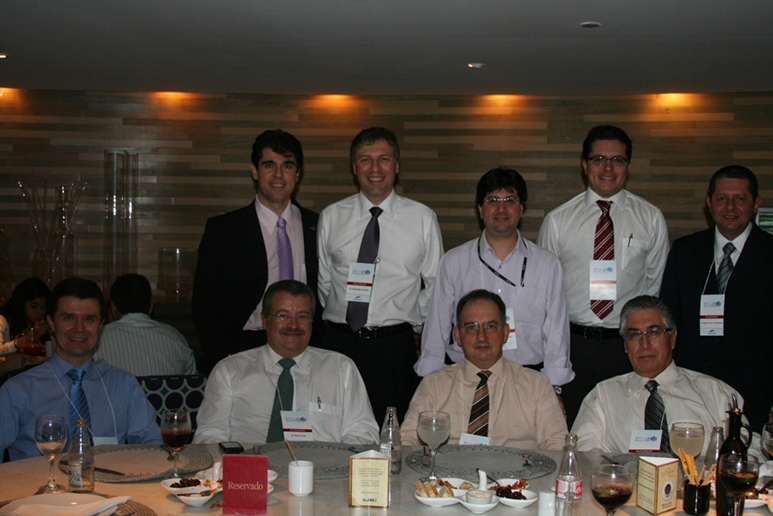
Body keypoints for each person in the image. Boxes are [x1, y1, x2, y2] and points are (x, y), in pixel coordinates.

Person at [537, 125, 669, 425]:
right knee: (570, 430)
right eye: (598, 159)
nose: (608, 168)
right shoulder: (557, 221)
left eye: (617, 160)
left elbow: (654, 288)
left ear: (628, 166)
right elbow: (545, 295)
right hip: (573, 347)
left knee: (626, 428)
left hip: (627, 347)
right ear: (584, 165)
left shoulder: (650, 219)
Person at [317, 127, 443, 421]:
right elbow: (324, 281)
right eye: (365, 160)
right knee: (333, 425)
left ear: (396, 166)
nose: (375, 168)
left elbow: (436, 283)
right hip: (338, 345)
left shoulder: (422, 218)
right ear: (354, 167)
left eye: (384, 159)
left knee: (391, 431)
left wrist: (412, 316)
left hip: (393, 349)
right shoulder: (331, 216)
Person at [416, 167, 573, 395]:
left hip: (527, 380)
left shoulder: (547, 264)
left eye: (510, 200)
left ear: (521, 208)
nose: (501, 208)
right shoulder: (454, 261)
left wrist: (554, 388)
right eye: (493, 201)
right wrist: (429, 384)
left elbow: (557, 333)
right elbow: (436, 328)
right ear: (480, 209)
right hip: (464, 378)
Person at [193, 129, 320, 373]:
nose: (278, 175)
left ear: (298, 173)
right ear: (254, 170)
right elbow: (204, 303)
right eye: (269, 165)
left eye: (287, 165)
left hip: (304, 347)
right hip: (242, 350)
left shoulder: (318, 226)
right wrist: (222, 357)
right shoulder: (224, 230)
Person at [194, 280, 379, 444]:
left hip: (321, 468)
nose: (293, 325)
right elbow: (209, 435)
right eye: (283, 316)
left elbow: (363, 433)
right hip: (250, 468)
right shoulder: (230, 371)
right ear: (265, 320)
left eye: (302, 316)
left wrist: (338, 463)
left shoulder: (341, 369)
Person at [660, 165, 773, 430]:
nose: (730, 207)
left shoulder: (769, 254)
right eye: (722, 198)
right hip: (691, 391)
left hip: (755, 394)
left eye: (740, 198)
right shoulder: (685, 251)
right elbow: (668, 319)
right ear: (709, 202)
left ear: (756, 203)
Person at [0, 278, 161, 460]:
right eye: (69, 318)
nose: (79, 328)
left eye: (89, 319)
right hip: (37, 478)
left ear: (100, 325)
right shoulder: (17, 391)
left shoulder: (123, 384)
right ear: (51, 323)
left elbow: (153, 447)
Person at [572, 295, 742, 455]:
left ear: (673, 338)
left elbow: (746, 454)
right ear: (625, 345)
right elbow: (583, 458)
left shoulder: (717, 394)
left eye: (654, 332)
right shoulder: (602, 397)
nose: (644, 344)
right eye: (634, 335)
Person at [402, 290, 567, 450]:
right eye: (471, 327)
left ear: (505, 332)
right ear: (458, 335)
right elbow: (406, 441)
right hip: (447, 469)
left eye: (490, 326)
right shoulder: (434, 385)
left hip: (517, 468)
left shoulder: (537, 386)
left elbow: (557, 445)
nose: (481, 336)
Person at [93, 273, 197, 376]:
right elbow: (192, 381)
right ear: (151, 306)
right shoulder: (176, 338)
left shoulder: (97, 338)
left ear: (113, 307)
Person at [0, 277, 50, 355]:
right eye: (33, 306)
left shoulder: (45, 323)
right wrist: (28, 338)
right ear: (21, 304)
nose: (39, 312)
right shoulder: (3, 321)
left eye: (43, 307)